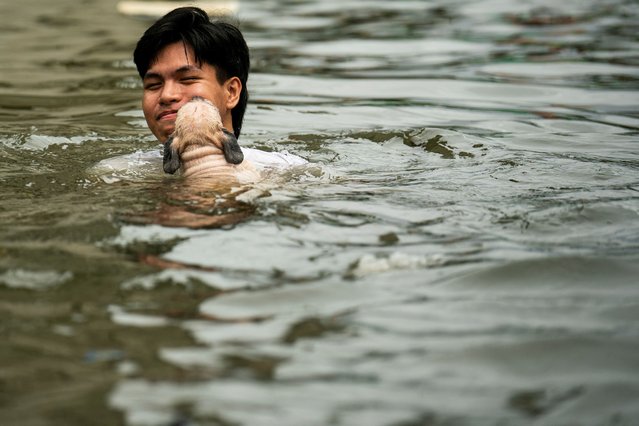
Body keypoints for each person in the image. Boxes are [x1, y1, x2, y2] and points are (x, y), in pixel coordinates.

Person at [133, 6, 306, 169]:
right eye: (154, 84)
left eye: (187, 79)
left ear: (231, 92)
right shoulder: (120, 173)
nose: (167, 95)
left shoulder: (282, 172)